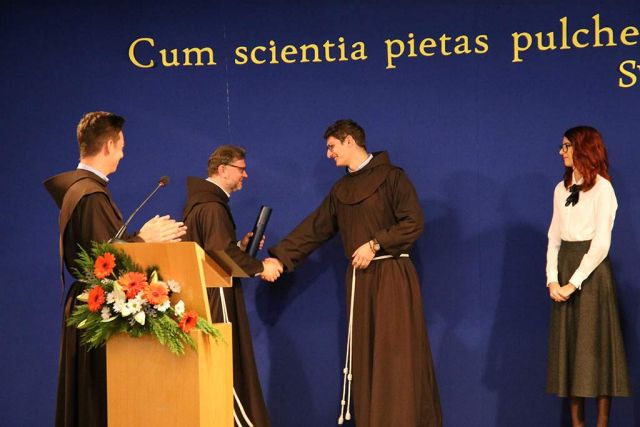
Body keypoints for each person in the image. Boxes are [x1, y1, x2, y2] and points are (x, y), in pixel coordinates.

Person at [268, 119, 442, 426]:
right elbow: (315, 228)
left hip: (392, 277)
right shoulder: (341, 190)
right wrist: (280, 259)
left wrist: (375, 244)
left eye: (332, 146)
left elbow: (413, 222)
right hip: (360, 282)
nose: (329, 154)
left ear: (349, 140)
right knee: (367, 356)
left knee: (395, 355)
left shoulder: (392, 177)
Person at [44, 111, 187, 427]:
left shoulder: (81, 190)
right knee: (96, 403)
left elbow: (102, 248)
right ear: (108, 145)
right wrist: (144, 239)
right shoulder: (91, 195)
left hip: (87, 305)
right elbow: (104, 263)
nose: (123, 154)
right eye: (121, 147)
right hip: (97, 308)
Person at [182, 145, 281, 427]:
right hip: (218, 296)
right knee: (227, 367)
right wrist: (261, 267)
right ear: (223, 169)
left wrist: (239, 246)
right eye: (241, 169)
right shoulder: (213, 206)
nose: (245, 175)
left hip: (206, 293)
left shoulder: (201, 203)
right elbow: (218, 251)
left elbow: (213, 249)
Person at [545, 126, 631, 427]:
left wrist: (573, 282)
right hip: (565, 269)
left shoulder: (603, 189)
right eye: (562, 146)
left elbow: (601, 243)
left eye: (567, 146)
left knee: (596, 351)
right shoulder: (561, 189)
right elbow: (554, 238)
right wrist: (553, 279)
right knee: (571, 352)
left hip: (591, 275)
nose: (562, 152)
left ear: (583, 148)